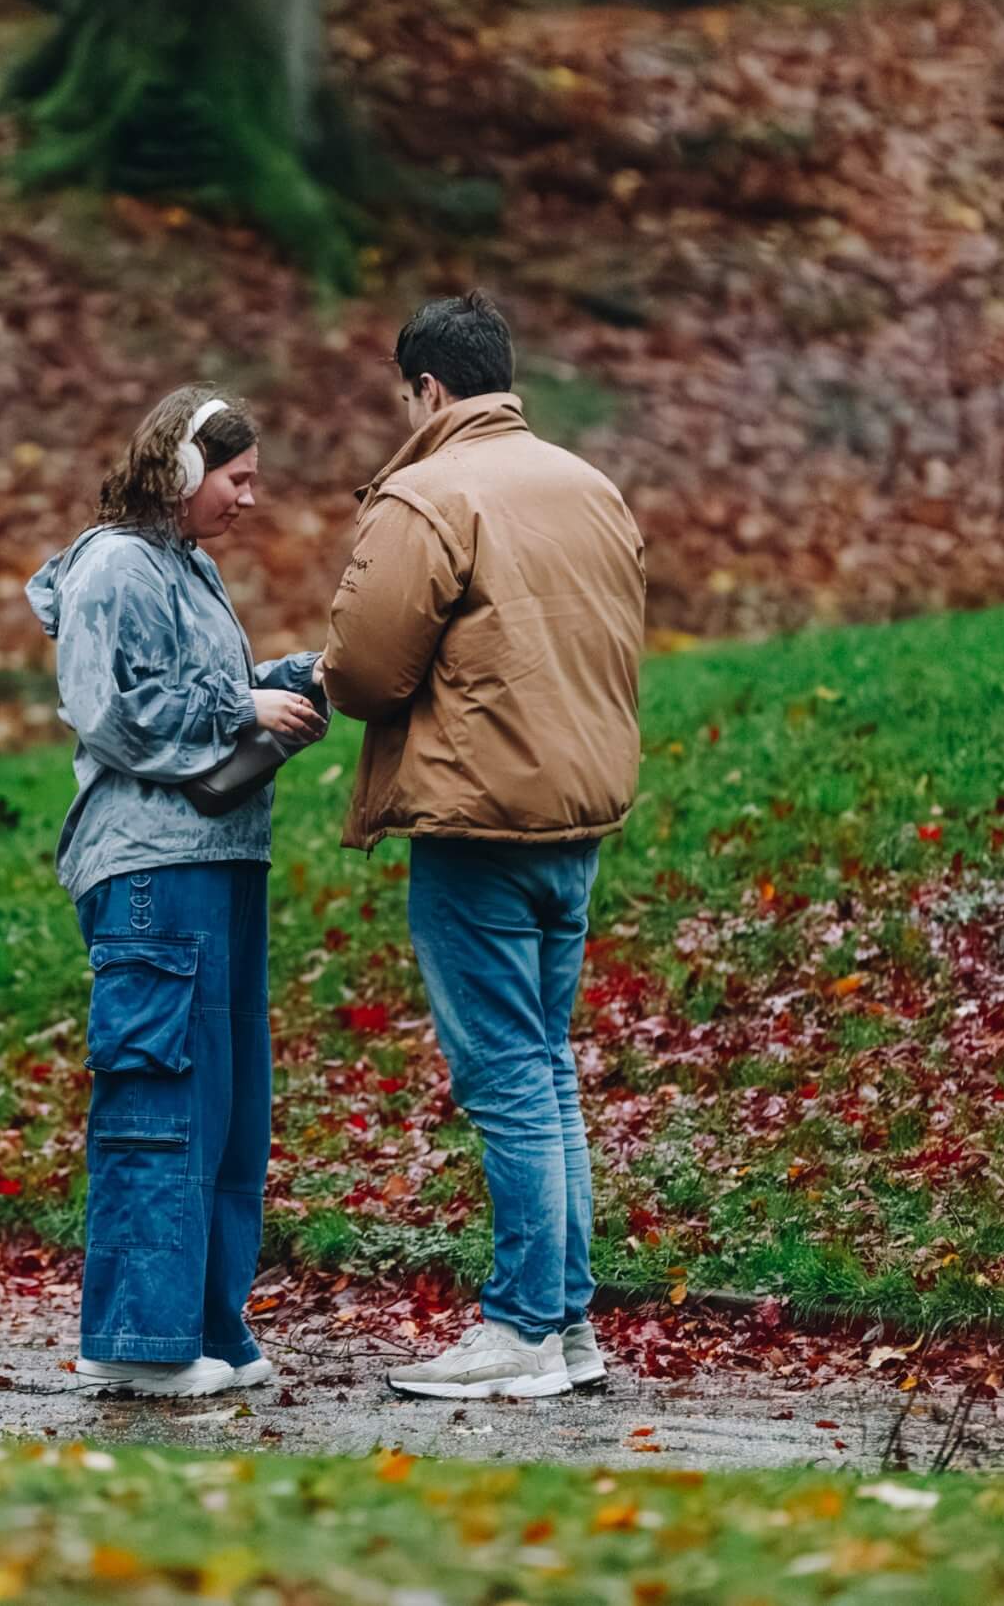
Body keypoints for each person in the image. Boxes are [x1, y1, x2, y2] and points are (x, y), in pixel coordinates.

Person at [316, 293, 647, 1399]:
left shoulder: (430, 492)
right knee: (548, 1072)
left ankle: (516, 1333)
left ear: (427, 390)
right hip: (576, 821)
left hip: (476, 823)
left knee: (508, 1082)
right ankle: (570, 1329)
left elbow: (364, 670)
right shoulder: (589, 487)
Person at [25, 384, 326, 1398]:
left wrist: (301, 679)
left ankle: (209, 1329)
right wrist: (244, 702)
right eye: (236, 477)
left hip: (221, 859)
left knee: (229, 1104)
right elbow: (112, 708)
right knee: (161, 1094)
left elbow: (203, 690)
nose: (249, 497)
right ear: (186, 469)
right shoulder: (115, 566)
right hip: (152, 870)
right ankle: (138, 1342)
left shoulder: (187, 569)